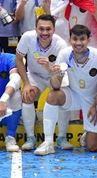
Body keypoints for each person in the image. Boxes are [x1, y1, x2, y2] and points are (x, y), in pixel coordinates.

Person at [34, 25, 97, 155]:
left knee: (93, 147)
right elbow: (56, 86)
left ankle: (87, 135)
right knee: (53, 95)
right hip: (73, 95)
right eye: (75, 39)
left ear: (89, 40)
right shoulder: (64, 54)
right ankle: (49, 143)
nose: (78, 43)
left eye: (82, 39)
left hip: (92, 99)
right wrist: (51, 72)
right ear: (70, 40)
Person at [15, 14, 72, 151]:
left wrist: (48, 68)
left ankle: (62, 137)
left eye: (48, 29)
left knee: (60, 96)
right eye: (41, 29)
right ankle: (30, 138)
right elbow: (18, 59)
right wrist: (27, 83)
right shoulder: (27, 37)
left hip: (54, 75)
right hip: (35, 75)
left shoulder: (61, 45)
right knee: (28, 95)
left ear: (54, 30)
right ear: (35, 29)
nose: (45, 33)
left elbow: (58, 75)